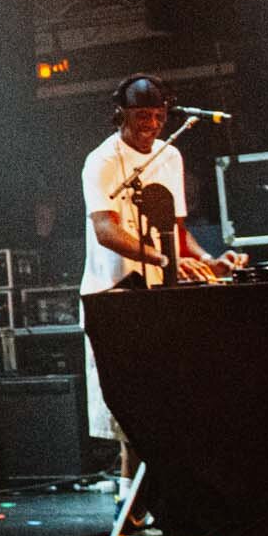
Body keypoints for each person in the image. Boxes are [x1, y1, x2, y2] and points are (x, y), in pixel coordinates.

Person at [80, 76, 238, 465]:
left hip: (161, 297)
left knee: (164, 403)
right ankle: (129, 502)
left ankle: (160, 501)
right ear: (121, 114)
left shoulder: (170, 157)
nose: (151, 124)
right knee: (129, 412)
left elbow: (178, 233)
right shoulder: (101, 160)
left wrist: (205, 259)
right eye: (141, 116)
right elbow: (106, 230)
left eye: (158, 115)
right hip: (114, 296)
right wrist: (164, 259)